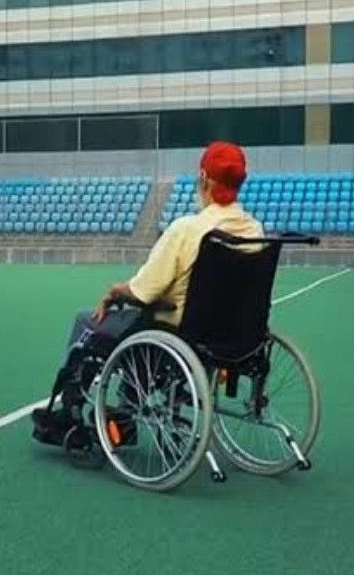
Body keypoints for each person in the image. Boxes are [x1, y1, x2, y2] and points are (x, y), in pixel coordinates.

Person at [33, 141, 263, 441]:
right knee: (146, 323)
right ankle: (124, 410)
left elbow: (143, 291)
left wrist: (113, 293)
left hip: (179, 332)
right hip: (233, 335)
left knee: (87, 322)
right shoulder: (254, 231)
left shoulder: (187, 230)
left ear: (204, 179)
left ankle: (69, 415)